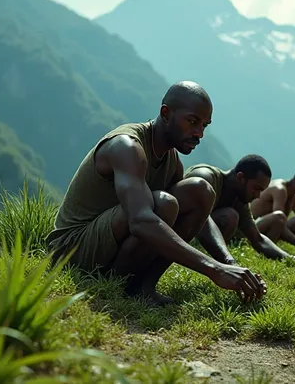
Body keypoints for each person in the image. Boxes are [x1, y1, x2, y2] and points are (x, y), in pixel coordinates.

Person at [45, 81, 266, 306]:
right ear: (166, 113)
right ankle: (119, 284)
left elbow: (200, 217)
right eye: (192, 122)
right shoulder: (127, 147)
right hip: (71, 250)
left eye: (204, 126)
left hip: (110, 240)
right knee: (164, 204)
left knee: (200, 191)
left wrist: (230, 262)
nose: (199, 133)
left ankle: (141, 286)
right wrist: (213, 269)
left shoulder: (172, 162)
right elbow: (140, 221)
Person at [184, 155, 295, 264]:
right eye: (256, 188)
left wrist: (289, 258)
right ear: (240, 177)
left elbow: (258, 239)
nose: (257, 196)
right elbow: (202, 220)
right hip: (180, 235)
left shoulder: (239, 201)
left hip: (197, 240)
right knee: (229, 216)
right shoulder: (206, 178)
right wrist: (230, 262)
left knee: (231, 216)